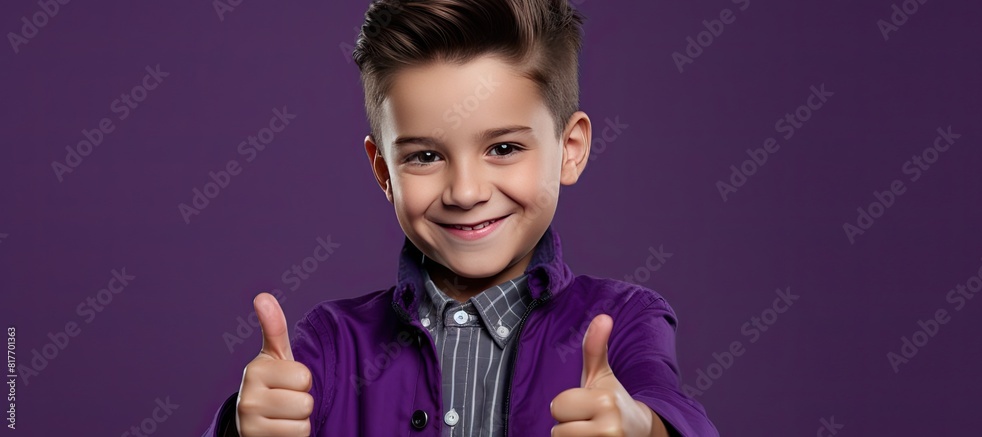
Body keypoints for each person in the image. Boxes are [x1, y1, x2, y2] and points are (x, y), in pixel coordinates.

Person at [203, 0, 718, 435]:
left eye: (504, 147)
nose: (466, 192)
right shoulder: (330, 342)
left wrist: (643, 426)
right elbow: (267, 414)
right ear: (384, 172)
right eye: (424, 156)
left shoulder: (626, 320)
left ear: (570, 149)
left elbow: (669, 403)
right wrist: (243, 426)